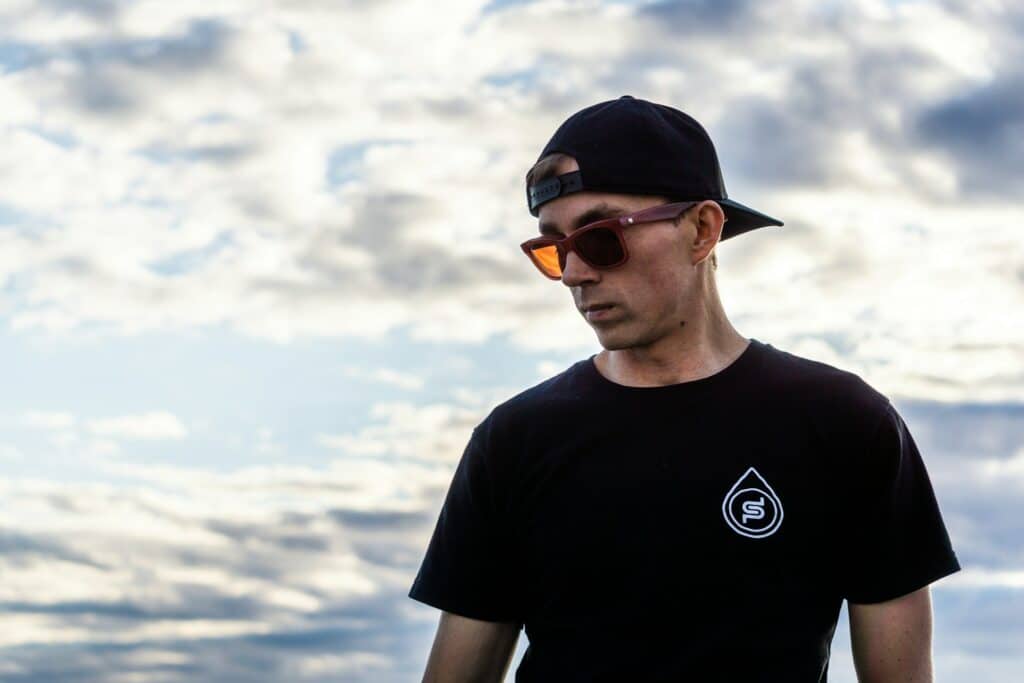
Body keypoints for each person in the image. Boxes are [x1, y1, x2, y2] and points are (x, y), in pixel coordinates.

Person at [408, 95, 961, 682]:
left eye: (600, 237)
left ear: (702, 230)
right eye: (554, 247)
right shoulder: (513, 441)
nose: (575, 273)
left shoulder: (845, 423)